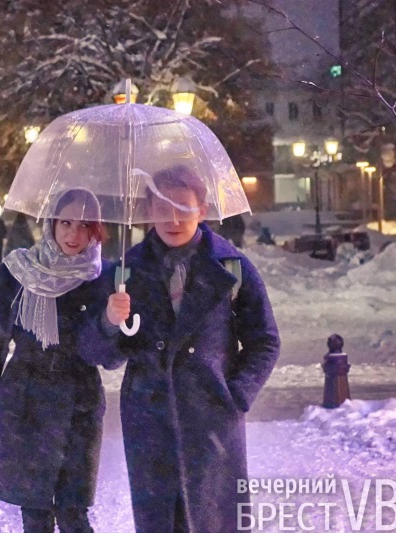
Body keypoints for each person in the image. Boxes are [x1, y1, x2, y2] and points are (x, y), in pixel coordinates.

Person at [79, 165, 280, 532]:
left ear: (202, 210)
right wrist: (108, 321)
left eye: (183, 207)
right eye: (162, 208)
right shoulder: (126, 272)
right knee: (160, 522)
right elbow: (98, 354)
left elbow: (264, 340)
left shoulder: (231, 267)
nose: (172, 219)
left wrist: (235, 397)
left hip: (212, 421)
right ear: (148, 211)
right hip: (149, 421)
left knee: (214, 520)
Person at [0, 189, 110, 533]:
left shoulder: (102, 278)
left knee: (74, 515)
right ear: (51, 224)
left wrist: (112, 322)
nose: (73, 234)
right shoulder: (20, 271)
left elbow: (108, 356)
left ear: (95, 230)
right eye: (66, 223)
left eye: (84, 225)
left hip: (80, 404)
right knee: (35, 514)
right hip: (26, 401)